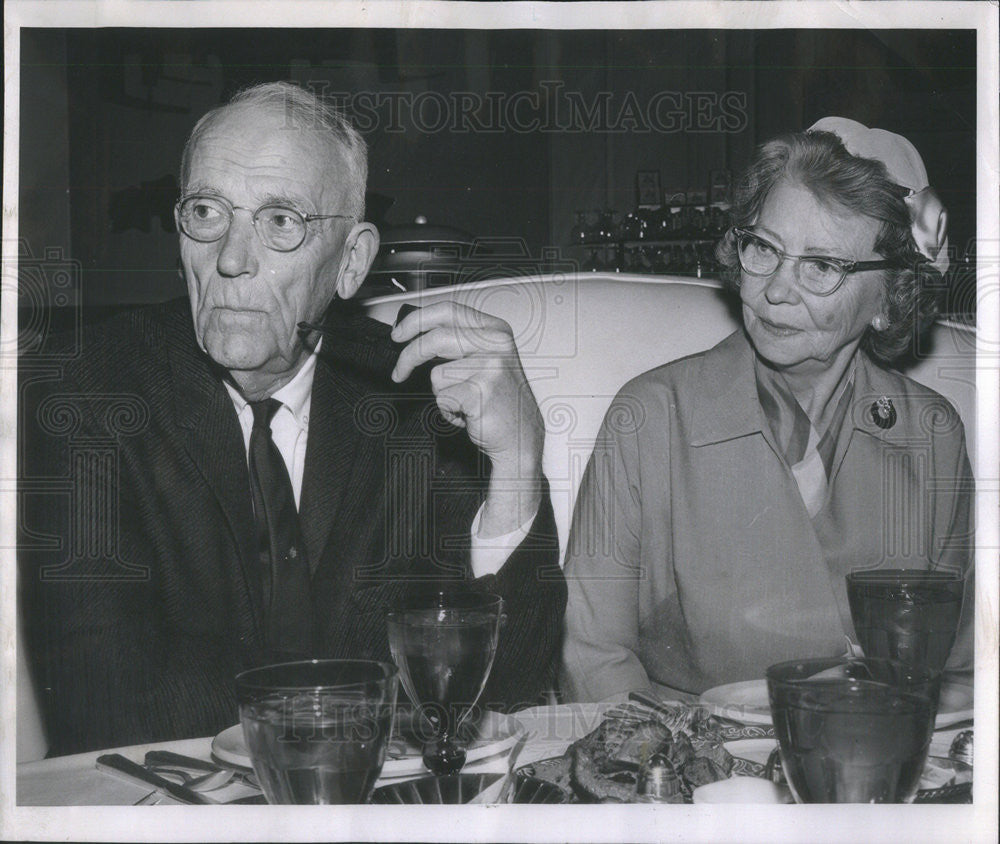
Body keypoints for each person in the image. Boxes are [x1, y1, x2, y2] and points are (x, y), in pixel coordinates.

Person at [19, 82, 565, 756]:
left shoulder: (416, 400)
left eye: (281, 221)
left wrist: (516, 465)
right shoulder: (91, 394)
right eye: (208, 211)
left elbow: (500, 694)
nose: (231, 258)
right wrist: (385, 709)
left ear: (352, 262)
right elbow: (106, 705)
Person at [560, 117, 974, 703]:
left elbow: (960, 671)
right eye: (764, 248)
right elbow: (593, 661)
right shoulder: (649, 418)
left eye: (822, 265)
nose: (777, 289)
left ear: (889, 298)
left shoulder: (933, 433)